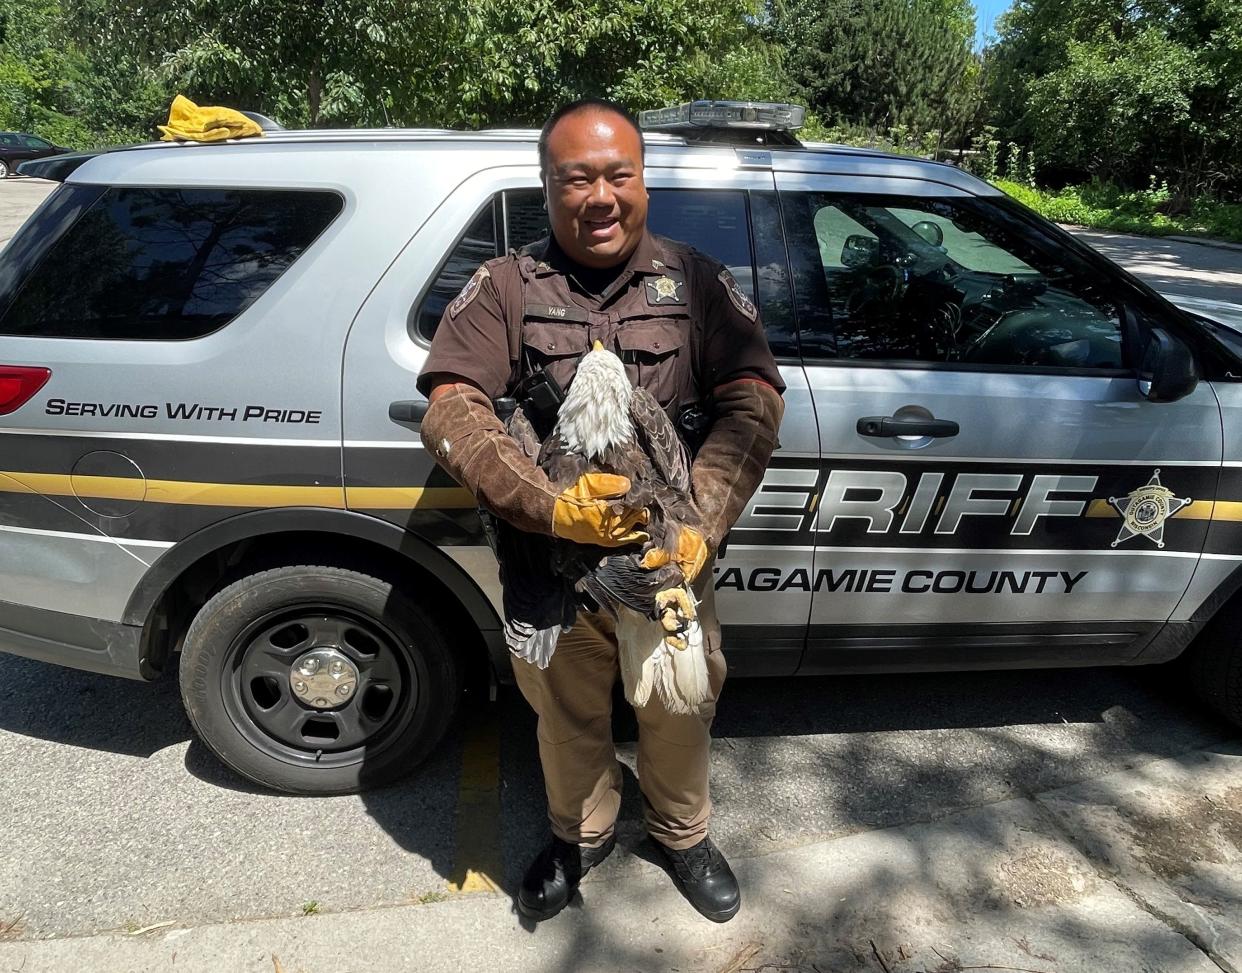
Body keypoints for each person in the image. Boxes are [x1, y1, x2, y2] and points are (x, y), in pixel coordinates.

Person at [416, 99, 784, 923]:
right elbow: (451, 405)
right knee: (565, 713)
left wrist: (703, 524)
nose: (600, 196)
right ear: (548, 189)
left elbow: (754, 401)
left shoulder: (697, 282)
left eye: (618, 174)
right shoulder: (504, 286)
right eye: (576, 179)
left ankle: (682, 833)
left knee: (679, 705)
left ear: (644, 181)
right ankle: (580, 836)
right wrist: (551, 507)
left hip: (666, 563)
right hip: (550, 565)